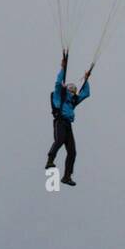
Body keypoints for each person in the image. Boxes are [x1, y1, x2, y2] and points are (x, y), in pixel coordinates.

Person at [45, 53, 92, 185]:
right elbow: (58, 83)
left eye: (74, 90)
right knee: (59, 140)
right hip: (60, 121)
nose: (73, 91)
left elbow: (86, 93)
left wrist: (86, 79)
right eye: (72, 89)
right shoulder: (60, 96)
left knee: (72, 151)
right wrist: (63, 68)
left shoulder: (73, 101)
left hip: (68, 125)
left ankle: (67, 176)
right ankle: (50, 160)